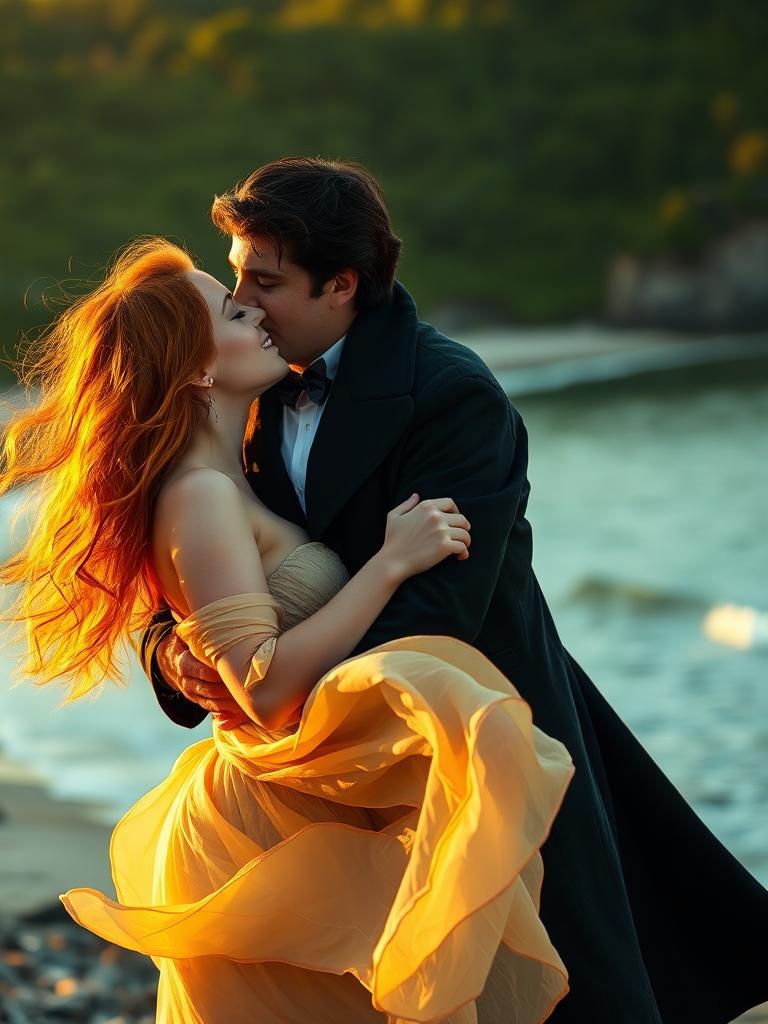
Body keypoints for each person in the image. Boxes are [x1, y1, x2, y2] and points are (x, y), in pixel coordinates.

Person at [135, 159, 768, 1024]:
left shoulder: (451, 396)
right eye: (238, 279)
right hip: (324, 790)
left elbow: (437, 620)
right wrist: (181, 653)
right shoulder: (249, 386)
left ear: (342, 284)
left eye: (265, 281)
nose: (245, 300)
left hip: (483, 746)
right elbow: (193, 568)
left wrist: (269, 680)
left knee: (566, 992)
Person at [0, 234, 580, 1022]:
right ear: (197, 368)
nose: (252, 311)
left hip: (286, 816)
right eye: (230, 308)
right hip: (260, 828)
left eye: (250, 294)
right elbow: (269, 689)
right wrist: (387, 566)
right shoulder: (202, 497)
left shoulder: (231, 471)